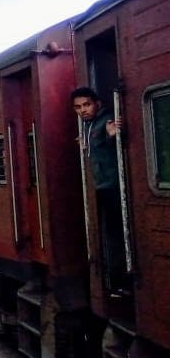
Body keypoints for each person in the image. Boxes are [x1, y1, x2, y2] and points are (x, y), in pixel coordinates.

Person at [71, 86, 128, 292]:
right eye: (78, 107)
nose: (82, 110)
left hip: (114, 187)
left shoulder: (107, 121)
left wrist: (113, 136)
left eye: (86, 105)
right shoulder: (88, 125)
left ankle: (121, 281)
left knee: (116, 235)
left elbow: (118, 142)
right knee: (109, 234)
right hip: (102, 187)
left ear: (98, 103)